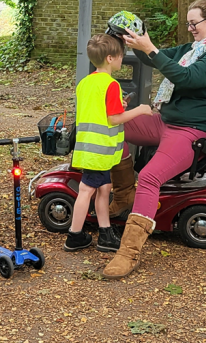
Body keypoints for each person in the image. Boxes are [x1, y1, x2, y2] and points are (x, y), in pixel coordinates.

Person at [102, 0, 206, 279]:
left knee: (151, 177)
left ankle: (128, 253)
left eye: (194, 23)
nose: (190, 29)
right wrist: (137, 41)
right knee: (109, 126)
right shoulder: (193, 49)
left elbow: (186, 77)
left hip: (192, 132)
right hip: (165, 121)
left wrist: (150, 49)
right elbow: (157, 56)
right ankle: (126, 194)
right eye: (188, 23)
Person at [65, 34, 153, 253]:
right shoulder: (111, 84)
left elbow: (99, 110)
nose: (123, 59)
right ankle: (74, 236)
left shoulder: (86, 82)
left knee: (104, 189)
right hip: (100, 151)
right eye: (122, 56)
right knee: (87, 190)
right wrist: (139, 110)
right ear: (111, 58)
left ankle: (105, 234)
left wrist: (119, 105)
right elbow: (113, 119)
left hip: (88, 147)